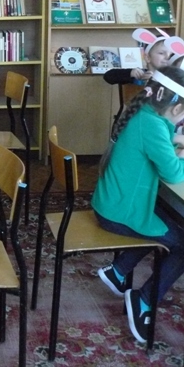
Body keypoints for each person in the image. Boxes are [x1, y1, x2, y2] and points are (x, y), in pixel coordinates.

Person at [93, 66, 184, 344]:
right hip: (120, 212)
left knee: (165, 221)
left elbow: (159, 144)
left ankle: (118, 271)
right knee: (182, 243)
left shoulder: (146, 114)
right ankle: (143, 300)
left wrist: (176, 143)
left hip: (114, 203)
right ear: (177, 109)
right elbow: (173, 174)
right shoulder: (153, 126)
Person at [103, 28, 176, 86]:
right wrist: (130, 73)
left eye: (171, 55)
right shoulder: (140, 75)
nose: (167, 57)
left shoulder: (175, 78)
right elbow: (108, 76)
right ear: (147, 58)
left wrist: (157, 80)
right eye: (161, 53)